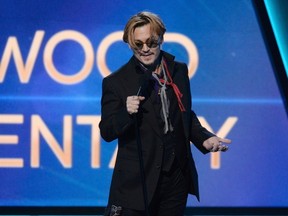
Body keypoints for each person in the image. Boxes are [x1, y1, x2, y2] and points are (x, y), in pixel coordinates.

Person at [99, 11, 231, 216]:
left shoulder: (178, 70)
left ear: (161, 38)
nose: (145, 49)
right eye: (138, 44)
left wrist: (203, 138)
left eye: (151, 42)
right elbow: (106, 131)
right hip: (137, 182)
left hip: (175, 178)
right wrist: (126, 112)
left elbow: (184, 113)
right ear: (130, 44)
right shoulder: (116, 82)